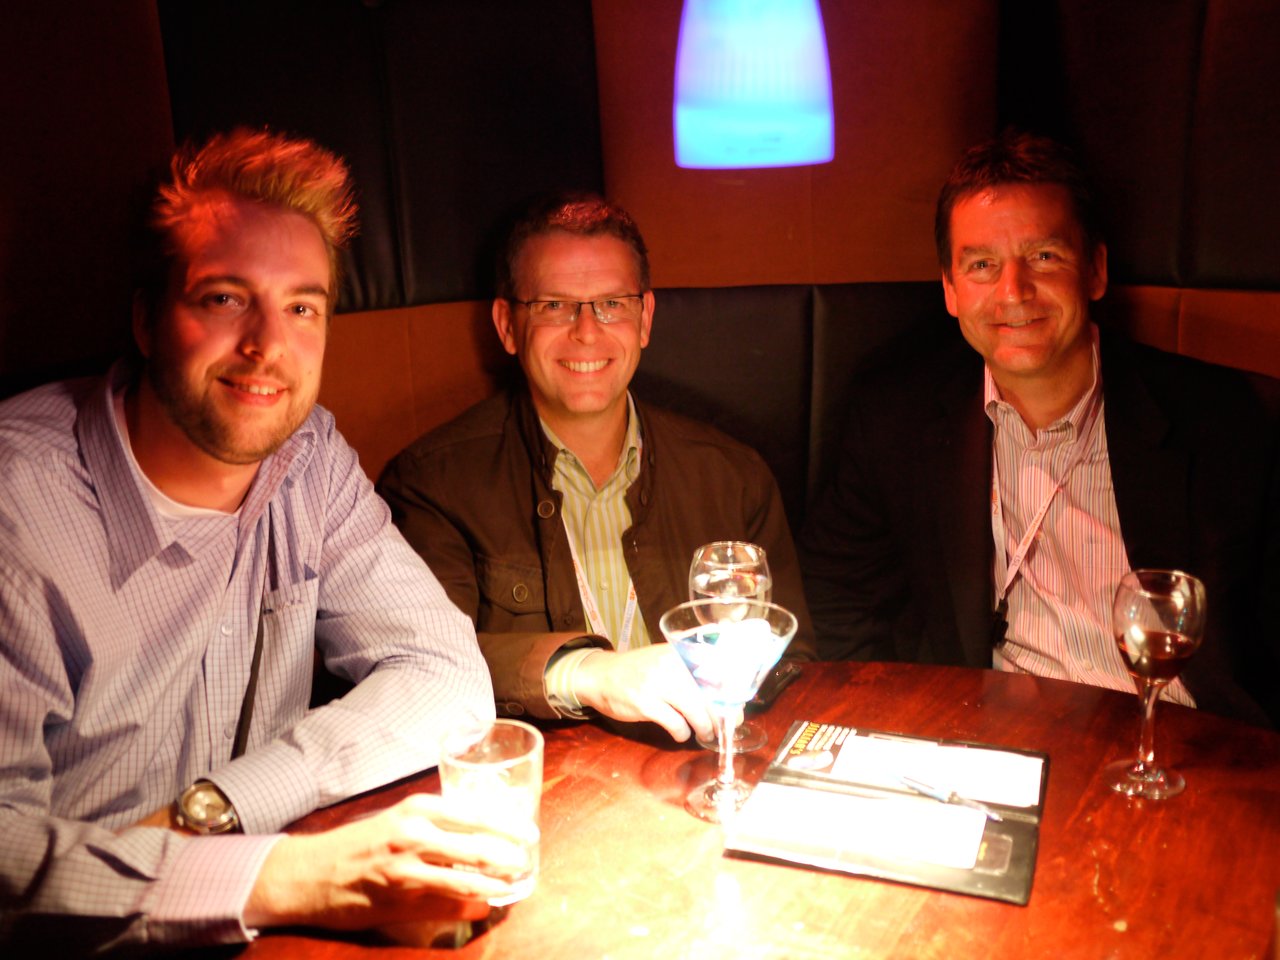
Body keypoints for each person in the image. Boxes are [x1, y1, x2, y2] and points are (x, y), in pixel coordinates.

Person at [0, 129, 531, 953]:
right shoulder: (15, 502)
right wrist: (290, 876)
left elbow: (443, 673)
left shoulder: (309, 456)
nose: (267, 345)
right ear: (146, 320)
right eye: (223, 297)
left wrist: (212, 811)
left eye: (302, 307)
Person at [801, 130, 1280, 728]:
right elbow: (836, 595)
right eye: (981, 265)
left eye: (1044, 257)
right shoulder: (896, 417)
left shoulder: (1225, 420)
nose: (1013, 292)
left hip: (1181, 747)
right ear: (950, 290)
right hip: (990, 743)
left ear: (1096, 270)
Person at [378, 193, 814, 743]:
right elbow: (418, 666)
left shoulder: (733, 476)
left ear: (645, 318)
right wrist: (585, 674)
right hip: (543, 794)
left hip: (699, 774)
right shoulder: (431, 484)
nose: (587, 331)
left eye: (611, 303)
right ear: (507, 326)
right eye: (555, 305)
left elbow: (793, 659)